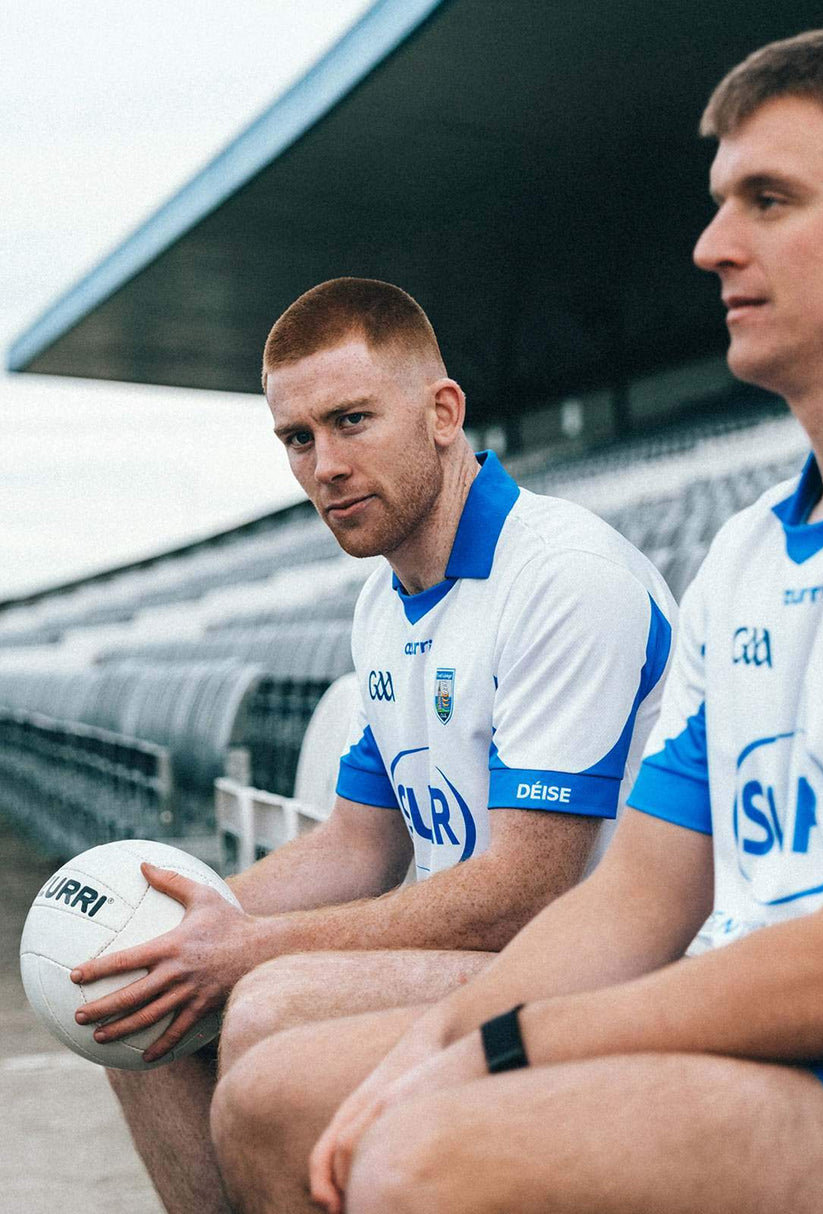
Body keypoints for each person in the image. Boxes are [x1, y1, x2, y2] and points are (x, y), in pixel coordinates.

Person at [209, 24, 823, 1214]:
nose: (711, 244)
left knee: (425, 1153)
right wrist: (441, 1035)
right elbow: (638, 895)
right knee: (277, 1096)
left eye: (766, 199)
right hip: (746, 1031)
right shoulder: (747, 548)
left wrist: (506, 1045)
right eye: (720, 201)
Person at [67, 276, 675, 1214]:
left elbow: (527, 892)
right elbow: (359, 843)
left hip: (597, 963)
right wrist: (181, 926)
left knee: (267, 1004)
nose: (326, 467)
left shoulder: (562, 576)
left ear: (442, 413)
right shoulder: (382, 602)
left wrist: (249, 947)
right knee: (139, 1006)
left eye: (351, 421)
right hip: (479, 953)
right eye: (298, 439)